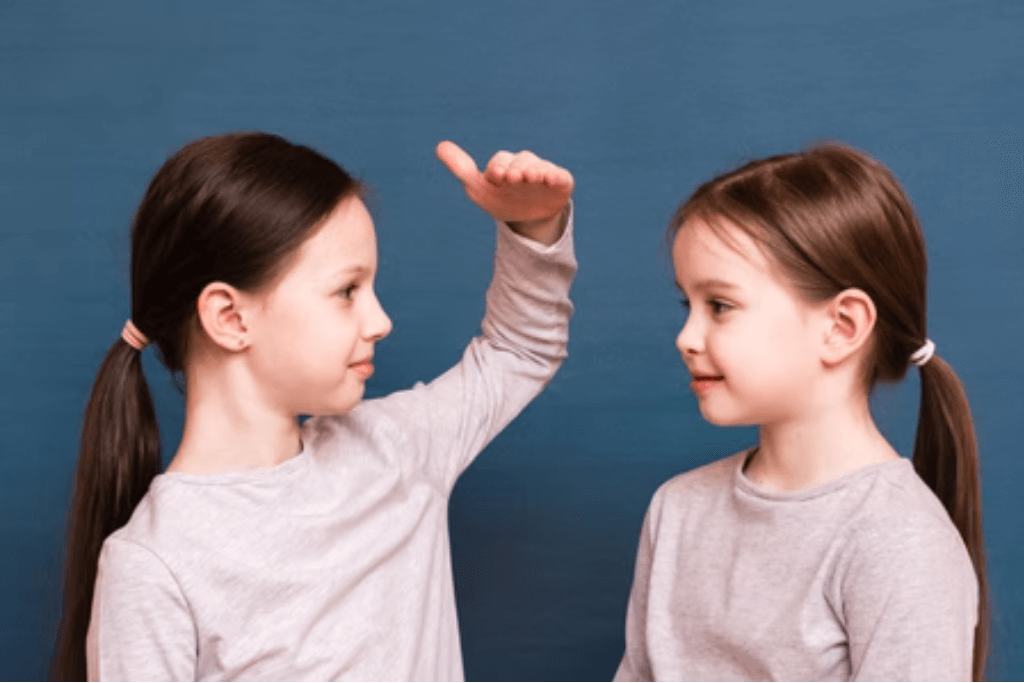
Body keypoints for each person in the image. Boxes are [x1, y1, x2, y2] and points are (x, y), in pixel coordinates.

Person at [51, 133, 577, 681]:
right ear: (230, 318)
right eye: (347, 291)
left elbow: (520, 352)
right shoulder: (153, 564)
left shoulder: (397, 452)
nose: (380, 322)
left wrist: (533, 228)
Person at [615, 144, 986, 681]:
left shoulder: (900, 542)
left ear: (841, 327)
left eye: (720, 306)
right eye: (686, 305)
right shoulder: (677, 509)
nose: (686, 337)